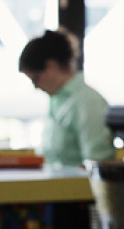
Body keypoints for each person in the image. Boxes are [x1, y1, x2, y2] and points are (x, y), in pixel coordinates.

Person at [19, 29, 115, 167]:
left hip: (76, 187)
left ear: (51, 67)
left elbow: (96, 164)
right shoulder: (57, 101)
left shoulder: (88, 102)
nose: (36, 87)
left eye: (35, 79)